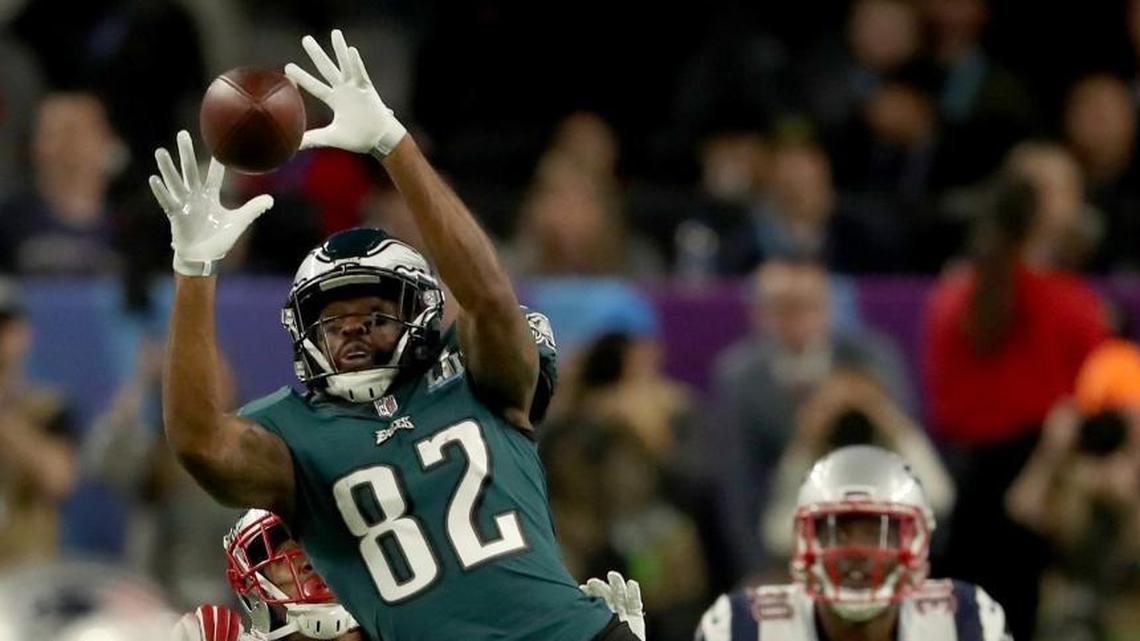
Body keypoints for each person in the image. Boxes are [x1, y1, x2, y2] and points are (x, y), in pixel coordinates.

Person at [149, 29, 641, 641]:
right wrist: (194, 269)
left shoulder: (476, 377)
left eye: (374, 312)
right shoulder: (294, 433)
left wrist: (392, 143)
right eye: (331, 318)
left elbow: (489, 297)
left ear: (421, 314)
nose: (351, 327)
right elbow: (197, 441)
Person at [695, 446, 1011, 641]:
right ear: (804, 539)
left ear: (918, 539)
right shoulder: (742, 628)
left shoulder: (964, 620)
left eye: (878, 532)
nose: (857, 552)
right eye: (837, 532)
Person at [171, 509, 363, 641]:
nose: (310, 563)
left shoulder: (392, 627)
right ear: (256, 588)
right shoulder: (211, 634)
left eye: (321, 547)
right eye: (285, 557)